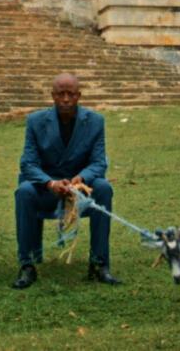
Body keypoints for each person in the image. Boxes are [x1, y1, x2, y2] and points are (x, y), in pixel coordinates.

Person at [12, 73, 120, 289]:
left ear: (79, 96)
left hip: (80, 191)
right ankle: (27, 265)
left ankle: (99, 263)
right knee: (24, 191)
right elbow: (28, 164)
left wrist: (82, 178)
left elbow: (99, 162)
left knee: (104, 188)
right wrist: (50, 183)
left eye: (71, 94)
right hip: (47, 191)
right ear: (52, 96)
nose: (66, 99)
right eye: (61, 94)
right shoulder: (35, 121)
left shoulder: (95, 121)